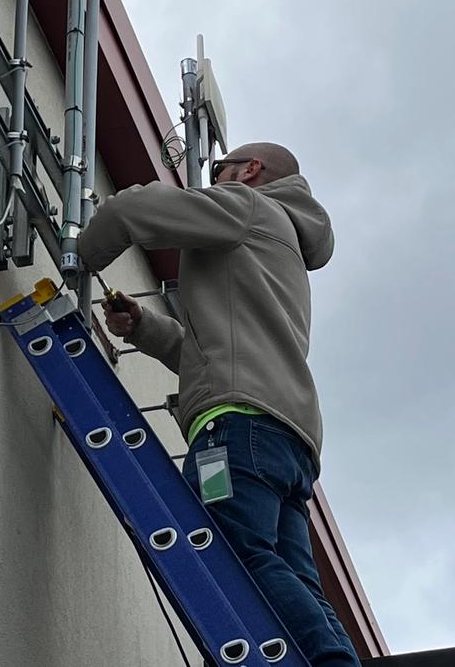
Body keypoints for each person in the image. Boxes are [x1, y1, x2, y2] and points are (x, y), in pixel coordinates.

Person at [77, 142, 360, 667]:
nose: (214, 181)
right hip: (281, 438)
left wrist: (78, 255)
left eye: (220, 170)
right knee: (290, 577)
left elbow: (132, 210)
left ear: (250, 171)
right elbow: (211, 353)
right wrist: (144, 328)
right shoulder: (283, 243)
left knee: (229, 550)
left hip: (235, 428)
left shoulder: (250, 207)